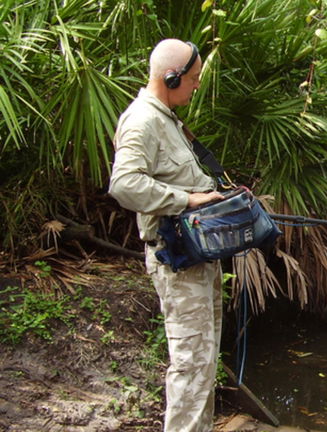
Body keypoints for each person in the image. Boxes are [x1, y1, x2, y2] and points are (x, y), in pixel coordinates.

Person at [109, 38, 225, 432]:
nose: (195, 87)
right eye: (192, 80)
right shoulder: (143, 120)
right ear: (170, 77)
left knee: (204, 362)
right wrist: (187, 200)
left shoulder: (167, 118)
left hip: (198, 256)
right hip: (176, 262)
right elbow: (124, 185)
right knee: (191, 365)